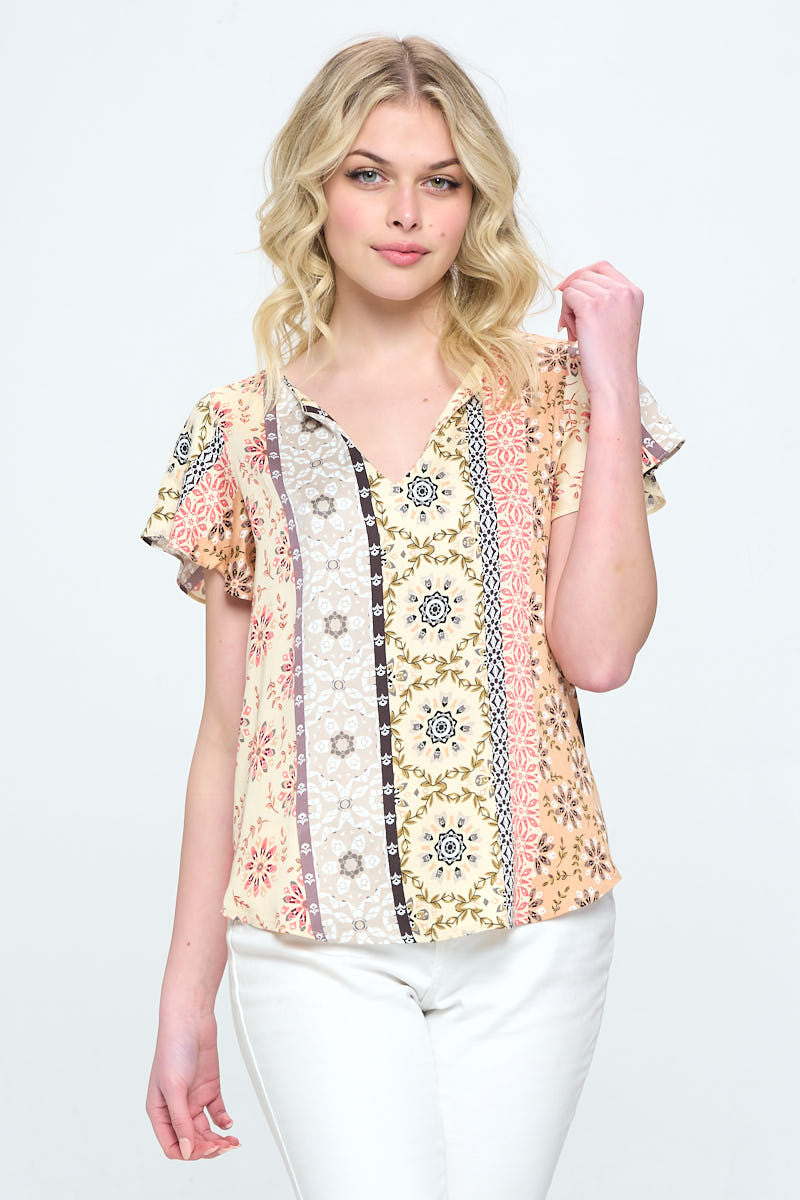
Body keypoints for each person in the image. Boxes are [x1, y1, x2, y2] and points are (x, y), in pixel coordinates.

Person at [140, 33, 685, 1200]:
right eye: (367, 173)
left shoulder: (551, 397)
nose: (404, 212)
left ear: (473, 201)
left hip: (535, 933)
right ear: (316, 191)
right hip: (311, 941)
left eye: (440, 180)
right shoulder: (239, 431)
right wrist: (186, 997)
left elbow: (598, 652)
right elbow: (226, 735)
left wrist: (608, 382)